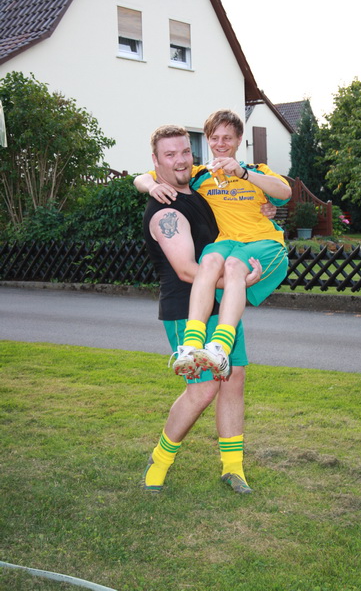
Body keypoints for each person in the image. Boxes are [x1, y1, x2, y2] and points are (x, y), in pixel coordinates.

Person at [137, 124, 276, 495]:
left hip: (224, 305)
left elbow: (237, 213)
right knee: (203, 389)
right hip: (187, 310)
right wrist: (239, 281)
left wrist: (265, 208)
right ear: (156, 161)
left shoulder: (199, 189)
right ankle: (159, 460)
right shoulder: (165, 209)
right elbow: (187, 270)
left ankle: (233, 469)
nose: (180, 160)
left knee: (232, 378)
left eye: (185, 151)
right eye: (170, 154)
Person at [136, 110, 292, 382]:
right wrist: (151, 187)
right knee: (208, 262)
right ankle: (191, 344)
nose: (221, 143)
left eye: (227, 138)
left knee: (232, 266)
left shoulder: (256, 170)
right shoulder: (200, 174)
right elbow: (143, 177)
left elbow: (285, 192)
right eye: (215, 137)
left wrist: (244, 174)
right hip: (226, 244)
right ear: (207, 140)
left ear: (239, 140)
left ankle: (219, 345)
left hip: (259, 242)